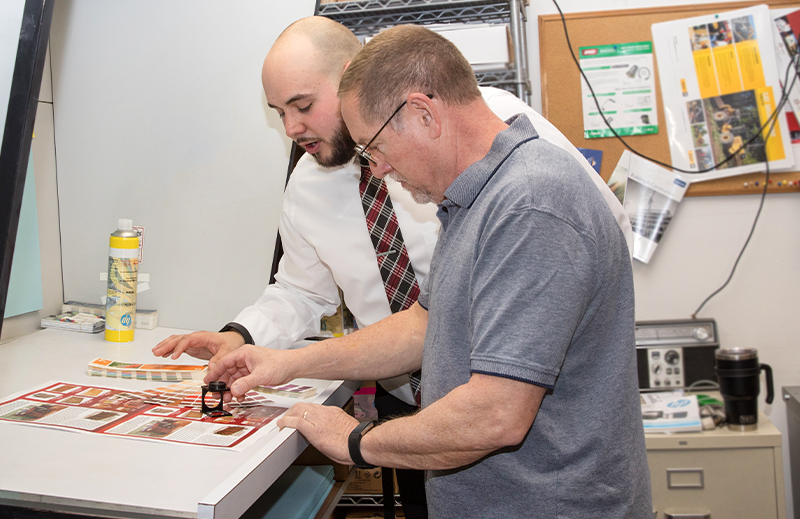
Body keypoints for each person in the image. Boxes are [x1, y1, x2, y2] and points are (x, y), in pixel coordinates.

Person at [205, 24, 652, 519]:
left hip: (550, 498)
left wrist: (355, 440)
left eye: (374, 148)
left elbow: (495, 415)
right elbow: (423, 324)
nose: (374, 169)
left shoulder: (526, 199)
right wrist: (284, 362)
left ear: (422, 113)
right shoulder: (469, 199)